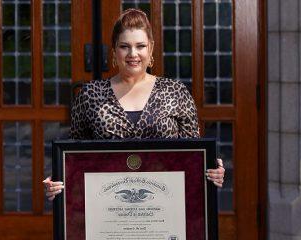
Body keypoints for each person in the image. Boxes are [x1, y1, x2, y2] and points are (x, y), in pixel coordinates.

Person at [43, 8, 224, 201]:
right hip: (108, 209)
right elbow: (75, 159)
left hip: (165, 207)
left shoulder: (175, 91)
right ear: (114, 50)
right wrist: (57, 181)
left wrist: (213, 171)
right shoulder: (89, 95)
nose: (133, 54)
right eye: (124, 46)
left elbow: (193, 157)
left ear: (151, 48)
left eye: (140, 46)